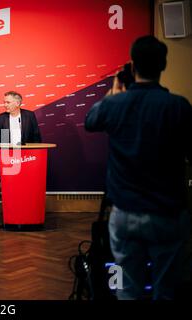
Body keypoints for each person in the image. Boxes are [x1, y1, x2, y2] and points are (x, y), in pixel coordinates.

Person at [85, 35, 192, 300]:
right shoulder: (178, 106)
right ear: (163, 65)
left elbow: (91, 121)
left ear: (132, 66)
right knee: (167, 289)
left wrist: (114, 92)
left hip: (124, 214)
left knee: (127, 288)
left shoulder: (114, 104)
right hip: (167, 213)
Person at [0, 91, 42, 178]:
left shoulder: (29, 115)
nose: (5, 105)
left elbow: (36, 136)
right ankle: (7, 187)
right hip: (7, 153)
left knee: (35, 168)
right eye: (4, 102)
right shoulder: (0, 118)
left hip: (26, 153)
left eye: (8, 102)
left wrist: (36, 154)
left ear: (17, 103)